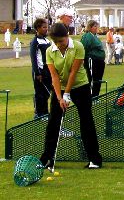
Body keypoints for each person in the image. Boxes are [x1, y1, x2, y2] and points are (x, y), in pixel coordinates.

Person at [40, 23, 102, 169]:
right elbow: (54, 76)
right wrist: (60, 97)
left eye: (61, 41)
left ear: (67, 36)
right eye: (55, 42)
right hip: (59, 88)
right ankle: (47, 158)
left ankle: (95, 159)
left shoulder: (78, 47)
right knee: (53, 122)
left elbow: (74, 72)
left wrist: (67, 94)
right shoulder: (50, 51)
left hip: (80, 86)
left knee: (86, 120)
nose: (59, 44)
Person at [30, 18, 52, 118]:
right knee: (40, 93)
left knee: (46, 93)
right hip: (39, 70)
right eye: (44, 27)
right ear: (38, 28)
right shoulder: (35, 42)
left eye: (46, 27)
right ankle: (39, 114)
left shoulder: (47, 40)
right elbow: (33, 58)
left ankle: (45, 112)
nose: (46, 29)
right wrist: (37, 73)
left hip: (48, 70)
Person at [80, 20, 105, 97]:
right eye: (94, 26)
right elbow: (84, 48)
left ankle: (96, 96)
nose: (96, 27)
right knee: (92, 78)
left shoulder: (95, 36)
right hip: (92, 60)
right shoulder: (87, 36)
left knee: (98, 79)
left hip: (99, 61)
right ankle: (91, 96)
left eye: (97, 26)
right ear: (90, 27)